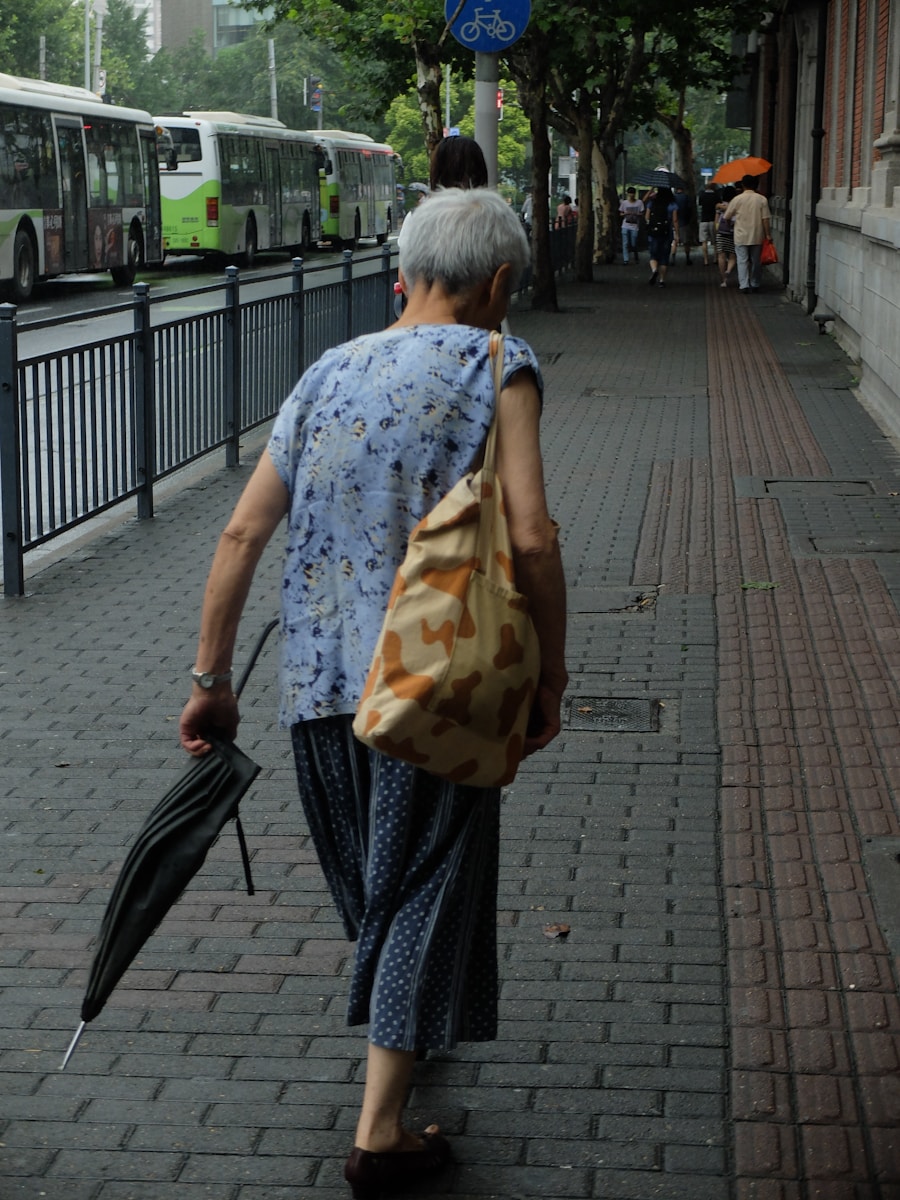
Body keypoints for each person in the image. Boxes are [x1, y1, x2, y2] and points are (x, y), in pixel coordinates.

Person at [178, 186, 568, 1200]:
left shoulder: (325, 372)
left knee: (378, 893)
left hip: (318, 692)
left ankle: (405, 1038)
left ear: (407, 268)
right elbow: (529, 536)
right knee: (423, 889)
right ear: (495, 284)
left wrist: (211, 682)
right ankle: (381, 1135)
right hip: (436, 687)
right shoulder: (500, 363)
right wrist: (551, 675)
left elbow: (239, 535)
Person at [723, 174, 772, 293]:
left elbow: (727, 216)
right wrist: (768, 234)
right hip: (757, 234)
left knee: (742, 260)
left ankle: (744, 284)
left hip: (740, 234)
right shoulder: (761, 199)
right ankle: (755, 283)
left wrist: (730, 224)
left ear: (743, 185)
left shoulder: (737, 199)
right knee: (756, 261)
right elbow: (765, 219)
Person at [645, 186, 678, 287]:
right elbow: (675, 220)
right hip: (666, 233)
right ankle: (662, 280)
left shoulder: (652, 202)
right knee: (664, 256)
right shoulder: (672, 204)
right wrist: (677, 233)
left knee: (653, 254)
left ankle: (654, 270)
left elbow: (646, 217)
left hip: (653, 233)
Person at [715, 186, 737, 287]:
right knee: (733, 254)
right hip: (734, 232)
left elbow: (716, 220)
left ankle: (723, 279)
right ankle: (728, 270)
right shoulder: (736, 204)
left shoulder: (720, 206)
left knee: (721, 255)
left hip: (721, 231)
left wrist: (716, 230)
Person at [618, 186, 644, 264]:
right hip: (625, 225)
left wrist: (636, 214)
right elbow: (621, 213)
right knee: (625, 243)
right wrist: (625, 213)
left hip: (634, 225)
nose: (631, 195)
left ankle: (635, 255)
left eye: (632, 194)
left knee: (633, 243)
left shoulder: (639, 202)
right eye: (630, 194)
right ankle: (626, 259)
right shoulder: (624, 203)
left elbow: (642, 213)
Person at [671, 186, 696, 266]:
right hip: (684, 222)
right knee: (686, 242)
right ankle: (687, 258)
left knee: (674, 241)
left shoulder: (673, 198)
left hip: (674, 223)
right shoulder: (686, 197)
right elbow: (690, 209)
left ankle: (673, 259)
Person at [696, 181, 719, 267]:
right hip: (713, 220)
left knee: (704, 241)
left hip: (703, 220)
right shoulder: (716, 196)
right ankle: (715, 258)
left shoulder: (702, 196)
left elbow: (700, 204)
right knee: (715, 241)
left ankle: (706, 260)